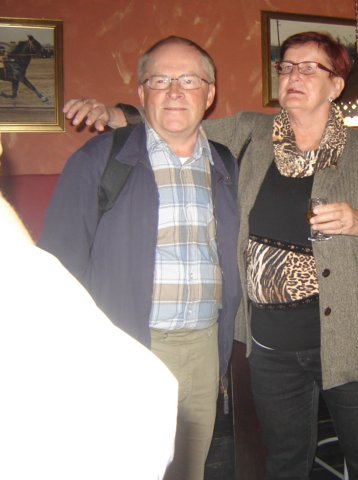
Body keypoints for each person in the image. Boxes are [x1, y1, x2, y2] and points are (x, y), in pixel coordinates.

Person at [65, 31, 358, 480]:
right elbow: (178, 119)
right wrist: (117, 114)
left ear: (336, 86)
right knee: (283, 465)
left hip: (352, 340)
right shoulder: (250, 133)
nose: (293, 75)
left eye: (309, 68)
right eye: (286, 67)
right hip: (271, 347)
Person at [39, 37, 240, 480]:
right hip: (127, 349)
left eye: (189, 80)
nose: (174, 91)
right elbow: (55, 271)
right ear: (141, 92)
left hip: (204, 348)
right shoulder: (99, 160)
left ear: (209, 94)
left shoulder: (225, 164)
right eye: (160, 80)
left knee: (188, 470)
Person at [0, 135, 178, 480]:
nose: (175, 101)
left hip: (201, 341)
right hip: (125, 330)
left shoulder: (220, 154)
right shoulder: (98, 157)